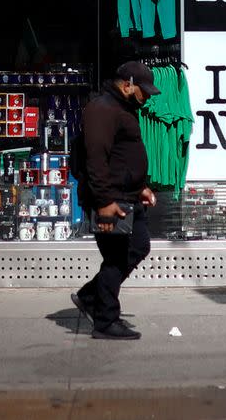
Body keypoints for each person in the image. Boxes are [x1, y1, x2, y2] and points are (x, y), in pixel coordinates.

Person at [71, 61, 160, 340]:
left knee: (138, 247)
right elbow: (96, 159)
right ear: (127, 84)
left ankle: (89, 296)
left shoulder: (121, 108)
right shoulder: (102, 109)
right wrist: (104, 204)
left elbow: (122, 155)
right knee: (117, 257)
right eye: (143, 91)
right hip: (111, 198)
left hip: (126, 195)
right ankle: (105, 321)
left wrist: (140, 187)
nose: (146, 97)